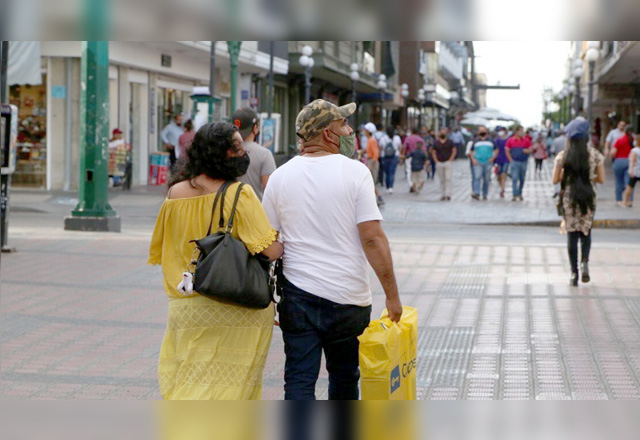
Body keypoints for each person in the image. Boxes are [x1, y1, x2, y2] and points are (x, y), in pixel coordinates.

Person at [262, 99, 403, 400]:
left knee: (299, 379)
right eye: (344, 124)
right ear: (328, 133)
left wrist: (268, 297)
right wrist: (392, 295)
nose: (350, 131)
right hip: (348, 298)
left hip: (297, 297)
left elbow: (267, 243)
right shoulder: (356, 172)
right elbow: (372, 239)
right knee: (344, 378)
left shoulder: (279, 177)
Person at [149, 122, 284, 400]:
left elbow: (165, 245)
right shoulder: (239, 194)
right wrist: (283, 242)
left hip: (185, 305)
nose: (243, 152)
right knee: (232, 387)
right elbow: (268, 250)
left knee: (187, 381)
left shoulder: (174, 193)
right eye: (236, 147)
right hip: (234, 302)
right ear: (219, 153)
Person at [552, 118, 605, 286]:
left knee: (572, 234)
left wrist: (566, 175)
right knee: (586, 231)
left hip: (570, 197)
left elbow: (555, 180)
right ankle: (585, 264)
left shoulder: (563, 155)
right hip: (589, 197)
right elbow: (602, 179)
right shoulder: (595, 155)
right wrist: (590, 176)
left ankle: (574, 273)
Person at [232, 108, 278, 201]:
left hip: (229, 208)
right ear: (255, 128)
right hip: (254, 207)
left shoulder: (226, 151)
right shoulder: (264, 154)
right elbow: (270, 190)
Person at [469, 126, 498, 201]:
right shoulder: (475, 141)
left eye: (483, 130)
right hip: (478, 161)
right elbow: (471, 151)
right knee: (477, 177)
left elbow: (496, 150)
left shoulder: (491, 140)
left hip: (488, 161)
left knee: (486, 179)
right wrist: (473, 159)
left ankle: (485, 194)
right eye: (480, 130)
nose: (482, 132)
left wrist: (492, 158)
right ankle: (477, 193)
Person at [506, 125, 533, 201]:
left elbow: (531, 149)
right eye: (521, 131)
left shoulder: (526, 140)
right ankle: (515, 194)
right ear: (516, 131)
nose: (522, 132)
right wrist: (510, 160)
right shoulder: (511, 140)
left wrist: (527, 151)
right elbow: (507, 150)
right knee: (514, 178)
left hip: (523, 161)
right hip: (515, 161)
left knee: (522, 178)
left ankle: (520, 192)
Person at [611, 126, 635, 207]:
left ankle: (619, 200)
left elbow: (613, 152)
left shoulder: (619, 140)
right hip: (630, 161)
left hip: (619, 161)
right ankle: (629, 200)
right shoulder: (633, 140)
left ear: (624, 131)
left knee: (618, 181)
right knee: (629, 182)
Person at [432, 129, 457, 201]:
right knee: (442, 179)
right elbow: (433, 152)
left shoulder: (450, 142)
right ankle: (443, 194)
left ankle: (448, 194)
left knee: (448, 178)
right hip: (439, 162)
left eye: (444, 132)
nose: (443, 134)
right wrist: (436, 161)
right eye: (441, 132)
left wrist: (450, 160)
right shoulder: (436, 143)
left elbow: (454, 150)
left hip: (447, 162)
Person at [364, 122, 384, 205]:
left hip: (372, 162)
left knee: (371, 182)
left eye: (365, 130)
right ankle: (378, 197)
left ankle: (377, 198)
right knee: (370, 182)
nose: (364, 131)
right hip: (370, 161)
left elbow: (376, 154)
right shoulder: (370, 140)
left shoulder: (372, 140)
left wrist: (371, 166)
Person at [381, 126, 402, 194]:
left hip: (385, 156)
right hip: (394, 156)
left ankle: (387, 186)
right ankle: (390, 187)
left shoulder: (383, 138)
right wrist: (400, 155)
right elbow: (400, 147)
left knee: (386, 172)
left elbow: (380, 147)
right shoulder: (397, 138)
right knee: (392, 172)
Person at [622, 134, 640, 207]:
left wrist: (630, 170)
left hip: (635, 172)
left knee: (629, 187)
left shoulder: (634, 150)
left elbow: (632, 161)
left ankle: (625, 202)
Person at [494, 128, 510, 198]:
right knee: (499, 175)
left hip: (506, 159)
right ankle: (501, 186)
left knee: (504, 174)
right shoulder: (497, 140)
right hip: (498, 159)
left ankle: (502, 189)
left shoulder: (508, 140)